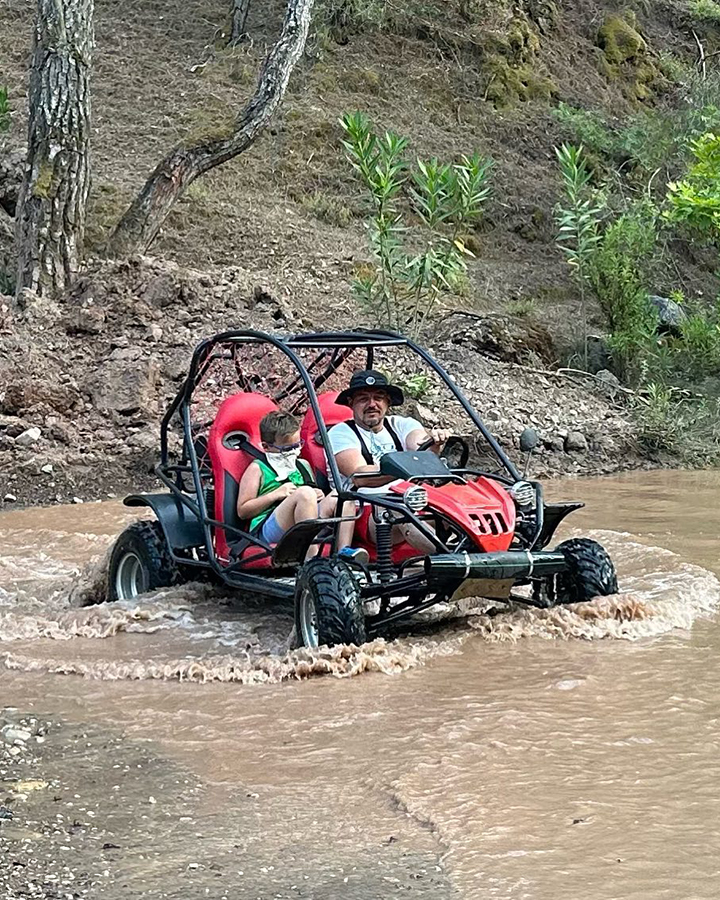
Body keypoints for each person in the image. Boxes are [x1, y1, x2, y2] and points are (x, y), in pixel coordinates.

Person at [328, 370, 451, 550]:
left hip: (414, 499)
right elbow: (360, 476)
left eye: (378, 398)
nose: (372, 404)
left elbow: (420, 446)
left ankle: (482, 553)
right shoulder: (340, 433)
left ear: (388, 402)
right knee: (399, 511)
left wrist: (434, 442)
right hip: (364, 510)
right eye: (363, 399)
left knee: (454, 506)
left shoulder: (402, 424)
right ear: (351, 403)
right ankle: (448, 557)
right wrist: (409, 467)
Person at [237, 410, 365, 562]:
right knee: (304, 493)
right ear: (266, 446)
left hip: (304, 520)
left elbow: (312, 495)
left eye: (297, 445)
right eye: (286, 449)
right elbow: (243, 511)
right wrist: (275, 494)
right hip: (268, 528)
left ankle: (343, 553)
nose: (294, 452)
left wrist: (318, 493)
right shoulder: (257, 469)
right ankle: (311, 558)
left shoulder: (302, 465)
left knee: (342, 496)